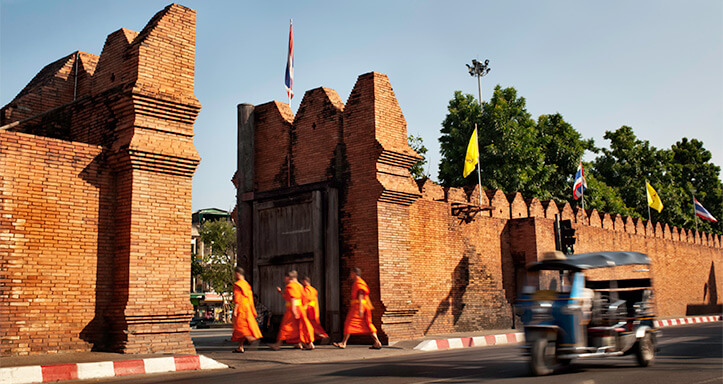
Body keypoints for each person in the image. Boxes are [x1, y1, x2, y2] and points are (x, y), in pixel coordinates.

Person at [333, 267, 382, 349]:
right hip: (363, 306)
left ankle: (343, 343)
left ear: (355, 273)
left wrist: (360, 309)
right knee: (367, 323)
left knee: (349, 323)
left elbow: (361, 294)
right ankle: (377, 342)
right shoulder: (359, 282)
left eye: (351, 273)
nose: (350, 275)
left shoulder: (359, 282)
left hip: (358, 306)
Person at [270, 270, 315, 350]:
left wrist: (294, 310)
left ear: (288, 277)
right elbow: (300, 298)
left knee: (285, 326)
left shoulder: (290, 286)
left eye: (285, 277)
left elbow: (293, 298)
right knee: (302, 326)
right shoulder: (300, 286)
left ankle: (278, 345)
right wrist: (281, 293)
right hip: (300, 308)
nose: (284, 279)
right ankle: (308, 343)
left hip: (292, 309)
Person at [231, 267, 262, 353]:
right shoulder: (247, 285)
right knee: (245, 325)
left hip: (241, 307)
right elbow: (250, 298)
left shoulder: (238, 285)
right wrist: (252, 309)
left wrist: (235, 309)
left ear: (237, 274)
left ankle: (251, 339)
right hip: (248, 307)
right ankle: (240, 347)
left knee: (240, 327)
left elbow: (237, 298)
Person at [301, 276, 330, 343]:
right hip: (314, 310)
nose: (302, 283)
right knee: (314, 326)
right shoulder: (314, 290)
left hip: (309, 311)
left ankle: (324, 337)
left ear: (305, 281)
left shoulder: (307, 289)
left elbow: (307, 299)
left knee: (311, 327)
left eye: (303, 282)